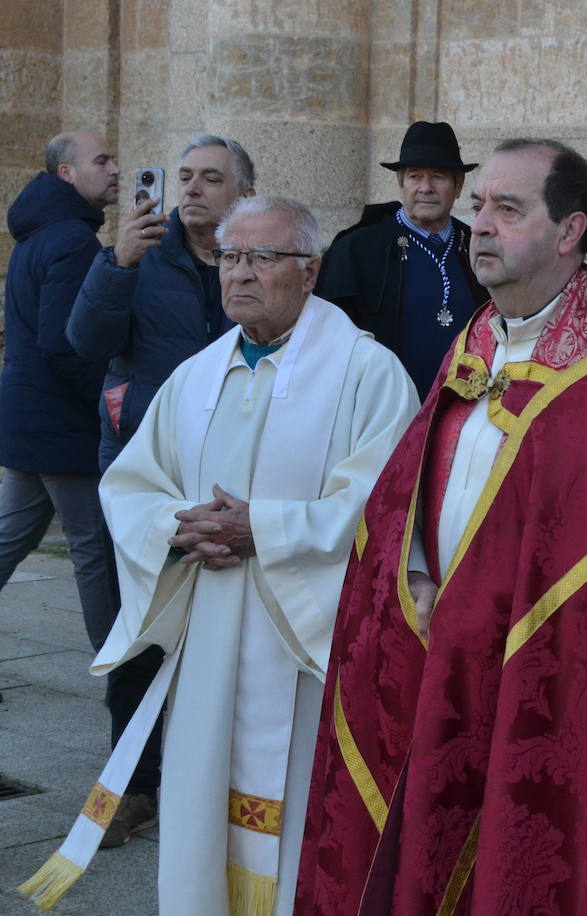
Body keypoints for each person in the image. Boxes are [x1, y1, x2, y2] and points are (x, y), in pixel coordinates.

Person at [295, 138, 587, 915]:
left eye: (507, 209)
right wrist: (413, 569)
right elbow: (414, 485)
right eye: (479, 205)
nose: (478, 224)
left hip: (548, 675)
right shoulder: (483, 334)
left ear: (569, 230)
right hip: (437, 648)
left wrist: (487, 613)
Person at [19, 195, 418, 915]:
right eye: (230, 258)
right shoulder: (195, 376)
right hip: (208, 633)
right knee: (204, 812)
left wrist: (261, 528)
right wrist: (176, 526)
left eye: (263, 258)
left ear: (310, 270)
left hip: (298, 640)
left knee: (298, 815)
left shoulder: (368, 374)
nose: (240, 274)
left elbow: (385, 505)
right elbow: (132, 483)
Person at [65, 132, 257, 847]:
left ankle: (220, 780)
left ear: (242, 192)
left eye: (212, 177)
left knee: (232, 637)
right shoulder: (141, 255)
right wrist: (117, 263)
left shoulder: (254, 260)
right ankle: (133, 785)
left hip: (236, 476)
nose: (194, 189)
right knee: (139, 637)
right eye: (185, 176)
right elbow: (84, 340)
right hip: (153, 477)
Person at [0, 132, 120, 707]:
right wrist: (107, 403)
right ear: (67, 173)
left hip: (30, 418)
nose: (116, 169)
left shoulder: (43, 232)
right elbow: (64, 345)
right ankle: (122, 673)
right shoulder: (72, 240)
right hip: (60, 426)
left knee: (9, 539)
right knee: (92, 550)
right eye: (102, 161)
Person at [315, 120, 487, 395]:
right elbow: (326, 344)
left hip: (462, 412)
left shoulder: (479, 244)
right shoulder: (356, 249)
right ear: (400, 182)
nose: (425, 187)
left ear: (458, 185)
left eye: (439, 176)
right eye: (415, 176)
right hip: (383, 414)